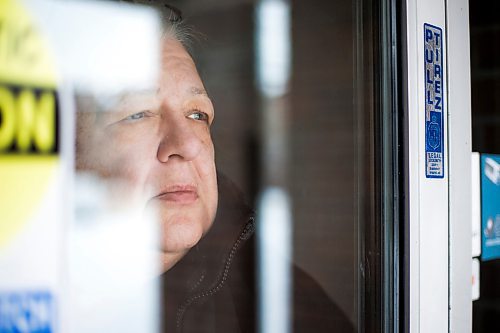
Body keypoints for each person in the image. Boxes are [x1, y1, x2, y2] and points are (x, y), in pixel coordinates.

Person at [76, 8, 354, 333]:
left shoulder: (280, 306)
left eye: (197, 115)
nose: (187, 145)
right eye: (138, 113)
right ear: (69, 149)